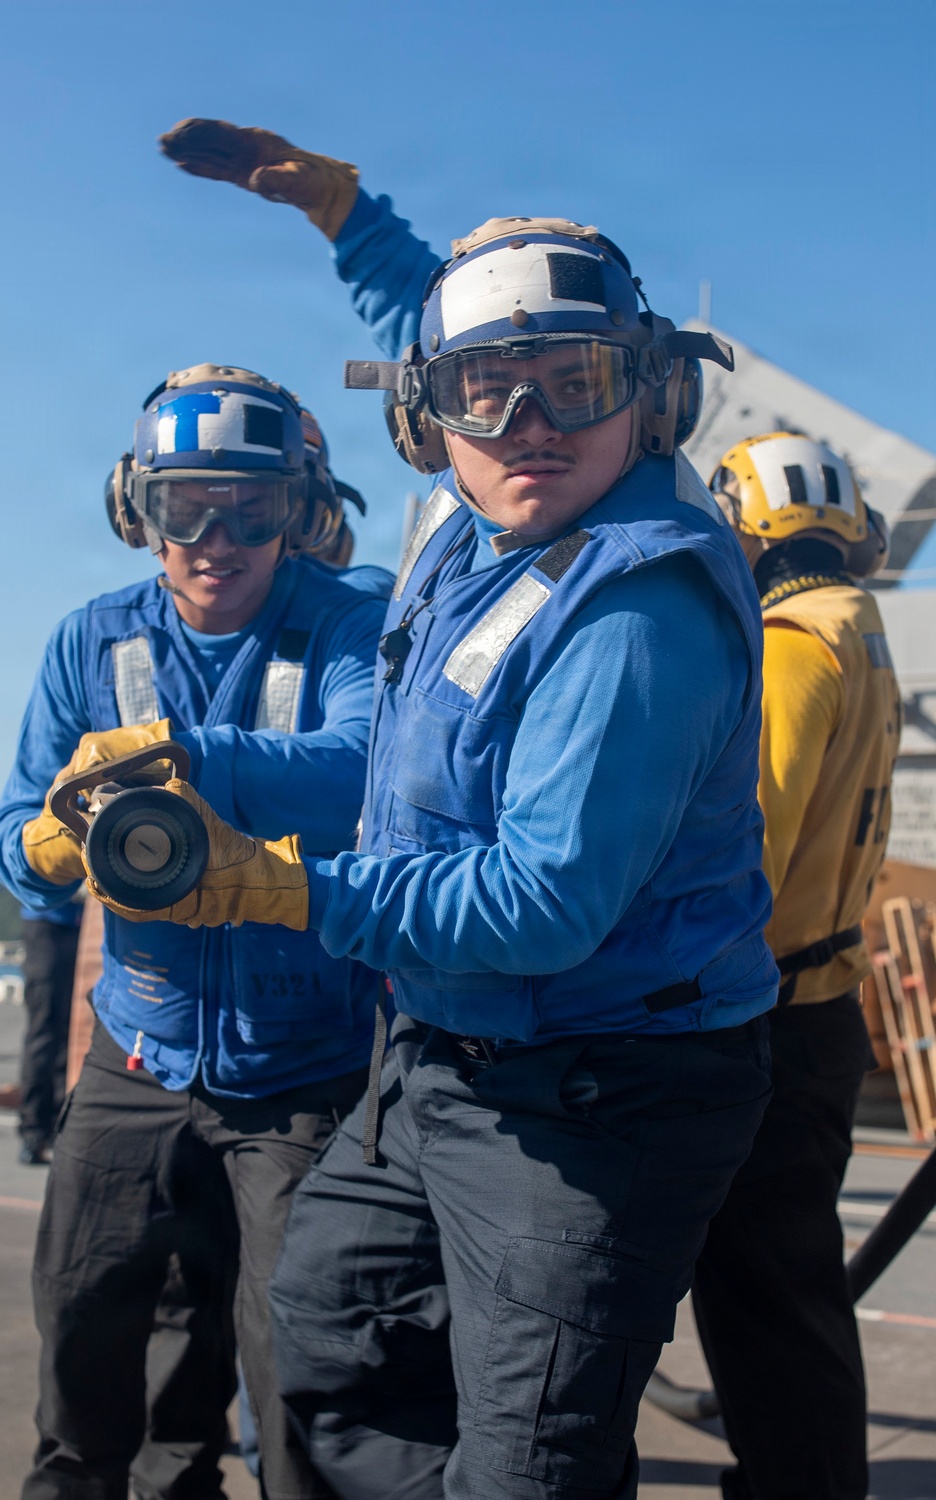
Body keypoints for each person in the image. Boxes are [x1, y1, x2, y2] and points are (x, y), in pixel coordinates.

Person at [94, 160, 781, 1495]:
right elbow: (461, 325)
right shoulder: (495, 519)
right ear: (428, 418)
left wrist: (285, 889)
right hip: (438, 1056)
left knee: (529, 1459)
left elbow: (541, 907)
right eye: (485, 393)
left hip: (599, 1091)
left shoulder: (637, 614)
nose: (527, 422)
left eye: (573, 385)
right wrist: (353, 224)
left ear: (646, 395)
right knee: (331, 1334)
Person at [0, 364, 390, 1500]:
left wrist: (177, 758)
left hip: (306, 1069)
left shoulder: (351, 630)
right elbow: (16, 826)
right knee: (80, 1325)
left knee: (301, 1367)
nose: (215, 538)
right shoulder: (91, 641)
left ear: (296, 511)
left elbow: (365, 769)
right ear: (139, 511)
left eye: (248, 508)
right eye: (183, 507)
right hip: (138, 1050)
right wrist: (51, 849)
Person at [687, 434, 900, 1500]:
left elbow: (744, 850)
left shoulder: (785, 647)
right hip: (824, 1004)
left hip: (765, 1017)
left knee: (765, 1305)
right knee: (794, 1296)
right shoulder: (860, 630)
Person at [17, 895, 82, 1164]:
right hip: (47, 923)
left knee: (74, 1032)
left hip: (86, 924)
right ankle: (34, 1130)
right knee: (44, 1032)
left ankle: (61, 1125)